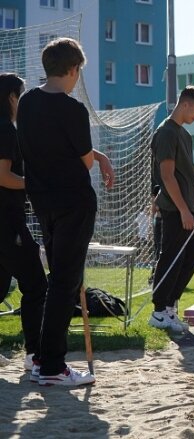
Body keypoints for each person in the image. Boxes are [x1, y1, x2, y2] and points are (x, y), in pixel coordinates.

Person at [17, 38, 115, 386]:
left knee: (58, 278)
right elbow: (84, 159)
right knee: (65, 281)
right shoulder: (73, 110)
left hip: (42, 200)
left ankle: (43, 358)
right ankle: (53, 367)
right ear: (73, 70)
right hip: (73, 201)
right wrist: (99, 158)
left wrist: (94, 156)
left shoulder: (26, 103)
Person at [147, 85, 194, 333]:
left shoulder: (185, 136)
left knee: (191, 258)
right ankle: (159, 311)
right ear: (184, 105)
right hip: (174, 210)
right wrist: (184, 209)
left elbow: (188, 178)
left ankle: (170, 308)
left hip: (188, 209)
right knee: (171, 258)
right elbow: (167, 176)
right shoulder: (166, 133)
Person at [0, 73, 48, 383]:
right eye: (23, 93)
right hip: (7, 221)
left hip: (8, 219)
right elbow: (3, 176)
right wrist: (36, 184)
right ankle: (34, 355)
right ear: (12, 98)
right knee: (35, 285)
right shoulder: (5, 130)